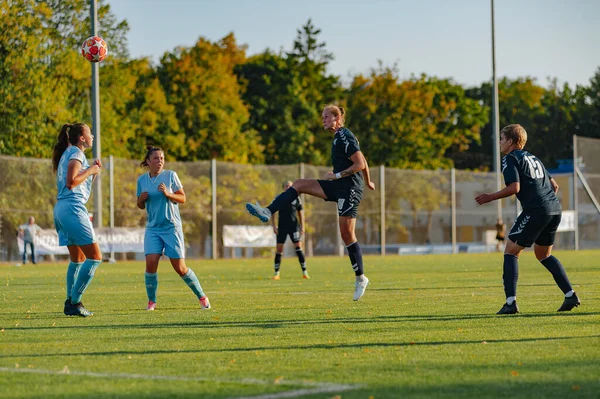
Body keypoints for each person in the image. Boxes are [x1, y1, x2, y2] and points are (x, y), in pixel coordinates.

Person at [246, 105, 376, 300]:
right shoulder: (338, 138)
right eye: (322, 116)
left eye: (326, 116)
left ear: (337, 118)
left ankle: (360, 278)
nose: (322, 119)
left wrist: (341, 175)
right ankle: (267, 211)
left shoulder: (344, 135)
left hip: (349, 189)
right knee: (298, 184)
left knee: (347, 234)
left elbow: (360, 162)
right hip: (339, 185)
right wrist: (368, 180)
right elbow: (362, 159)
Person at [475, 124, 580, 315]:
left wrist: (490, 197)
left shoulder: (510, 159)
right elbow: (554, 186)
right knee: (543, 255)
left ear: (511, 142)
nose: (499, 142)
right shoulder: (534, 158)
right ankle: (570, 294)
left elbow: (514, 188)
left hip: (537, 210)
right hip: (554, 209)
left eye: (501, 138)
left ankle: (510, 303)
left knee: (510, 252)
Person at [137, 146, 210, 311]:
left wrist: (169, 194)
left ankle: (202, 297)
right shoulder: (141, 180)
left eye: (162, 158)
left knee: (180, 268)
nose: (160, 161)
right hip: (153, 228)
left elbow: (183, 198)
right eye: (156, 158)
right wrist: (140, 200)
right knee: (151, 262)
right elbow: (140, 205)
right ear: (148, 161)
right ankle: (152, 301)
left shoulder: (170, 176)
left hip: (171, 228)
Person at [52, 123, 103, 317]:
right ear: (82, 138)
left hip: (62, 209)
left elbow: (75, 182)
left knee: (78, 258)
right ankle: (75, 301)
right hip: (72, 208)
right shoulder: (76, 153)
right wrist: (90, 171)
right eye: (90, 133)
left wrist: (92, 172)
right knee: (95, 257)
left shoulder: (68, 152)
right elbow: (71, 182)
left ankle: (69, 301)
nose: (92, 136)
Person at [271, 180, 309, 280]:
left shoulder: (296, 198)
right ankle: (276, 273)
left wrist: (302, 226)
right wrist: (274, 226)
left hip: (294, 227)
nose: (288, 188)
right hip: (282, 227)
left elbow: (300, 212)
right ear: (283, 188)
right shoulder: (278, 198)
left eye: (290, 186)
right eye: (286, 186)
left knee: (299, 248)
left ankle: (305, 272)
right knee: (279, 249)